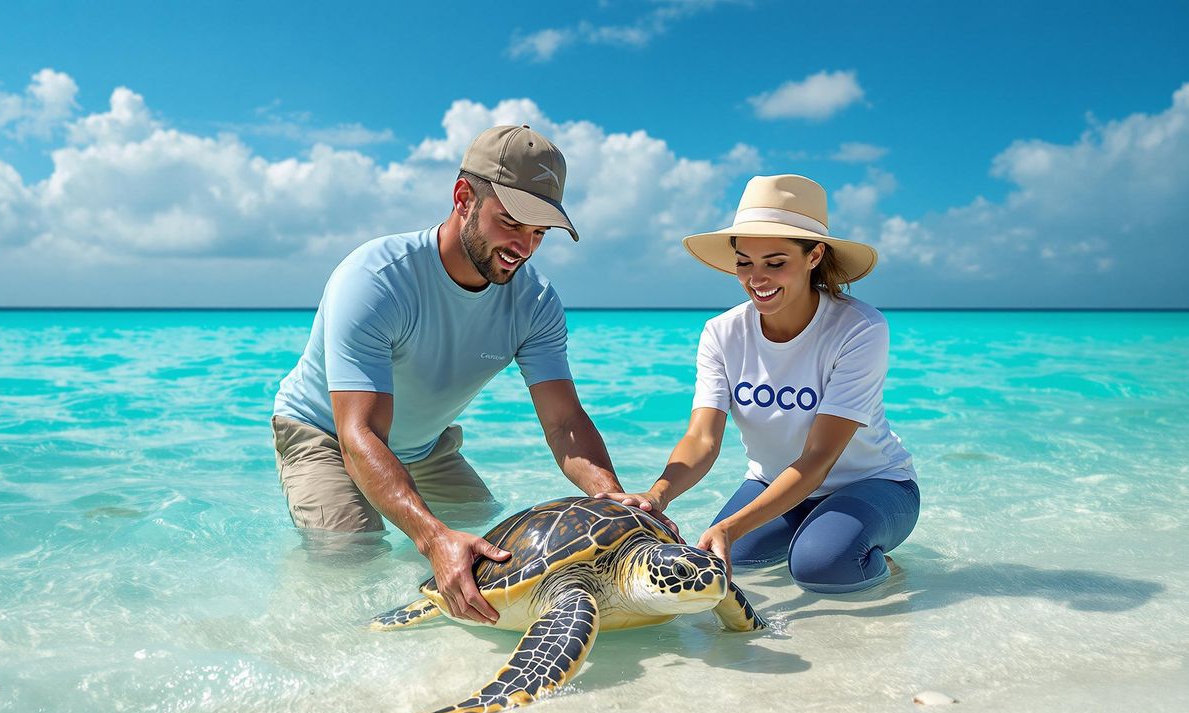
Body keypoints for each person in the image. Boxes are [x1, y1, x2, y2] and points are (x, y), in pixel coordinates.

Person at [271, 125, 657, 623]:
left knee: (489, 546)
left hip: (425, 445)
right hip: (325, 435)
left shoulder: (535, 302)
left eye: (540, 232)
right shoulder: (374, 281)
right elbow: (357, 432)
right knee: (352, 561)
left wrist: (613, 502)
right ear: (463, 197)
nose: (525, 246)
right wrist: (432, 538)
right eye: (512, 222)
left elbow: (564, 423)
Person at [598, 174, 918, 593]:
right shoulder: (721, 332)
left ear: (814, 255)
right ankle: (819, 532)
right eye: (744, 262)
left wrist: (731, 526)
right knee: (722, 568)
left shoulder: (859, 328)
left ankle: (878, 565)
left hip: (872, 484)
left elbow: (819, 458)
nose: (757, 279)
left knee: (820, 567)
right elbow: (701, 439)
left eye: (775, 262)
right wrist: (658, 495)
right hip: (773, 484)